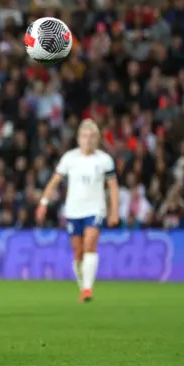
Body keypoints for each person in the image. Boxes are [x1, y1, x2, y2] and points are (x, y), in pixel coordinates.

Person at [36, 118, 119, 302]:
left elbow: (113, 187)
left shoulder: (104, 160)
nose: (88, 140)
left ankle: (88, 289)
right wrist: (43, 202)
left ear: (96, 139)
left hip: (95, 209)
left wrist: (114, 211)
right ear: (78, 138)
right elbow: (54, 181)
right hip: (73, 210)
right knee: (78, 253)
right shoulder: (69, 158)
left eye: (91, 137)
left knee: (90, 245)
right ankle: (83, 285)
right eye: (84, 136)